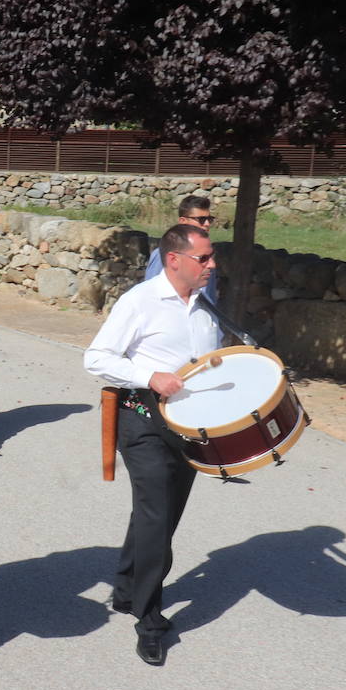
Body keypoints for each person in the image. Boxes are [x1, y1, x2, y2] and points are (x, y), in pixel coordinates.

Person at [84, 224, 222, 666]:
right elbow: (97, 357)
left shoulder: (207, 307)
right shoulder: (139, 302)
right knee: (157, 514)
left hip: (188, 427)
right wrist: (150, 377)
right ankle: (149, 617)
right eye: (204, 258)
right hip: (141, 420)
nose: (212, 265)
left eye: (211, 257)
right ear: (174, 260)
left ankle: (126, 590)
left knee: (160, 515)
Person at [143, 194, 220, 304]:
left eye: (209, 219)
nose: (207, 224)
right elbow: (150, 295)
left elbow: (209, 298)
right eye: (201, 219)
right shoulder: (163, 255)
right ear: (183, 221)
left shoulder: (208, 259)